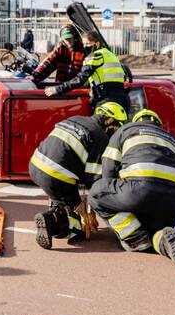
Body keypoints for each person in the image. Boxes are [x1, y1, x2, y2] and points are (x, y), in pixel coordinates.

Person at [87, 109, 175, 269]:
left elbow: (108, 171)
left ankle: (136, 239)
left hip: (137, 192)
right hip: (168, 203)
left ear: (136, 120)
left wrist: (117, 199)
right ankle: (161, 242)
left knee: (96, 192)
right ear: (158, 124)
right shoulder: (171, 140)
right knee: (154, 228)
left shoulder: (125, 130)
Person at [30, 101, 128, 249]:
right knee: (77, 227)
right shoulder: (99, 136)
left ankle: (56, 210)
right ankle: (52, 219)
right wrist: (89, 206)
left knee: (63, 198)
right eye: (116, 128)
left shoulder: (75, 118)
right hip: (57, 176)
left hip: (35, 165)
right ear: (110, 121)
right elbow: (93, 178)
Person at [45, 30, 129, 110]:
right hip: (121, 97)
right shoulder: (111, 54)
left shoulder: (95, 56)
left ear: (97, 43)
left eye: (88, 44)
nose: (85, 47)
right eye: (83, 44)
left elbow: (80, 78)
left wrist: (57, 89)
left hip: (106, 98)